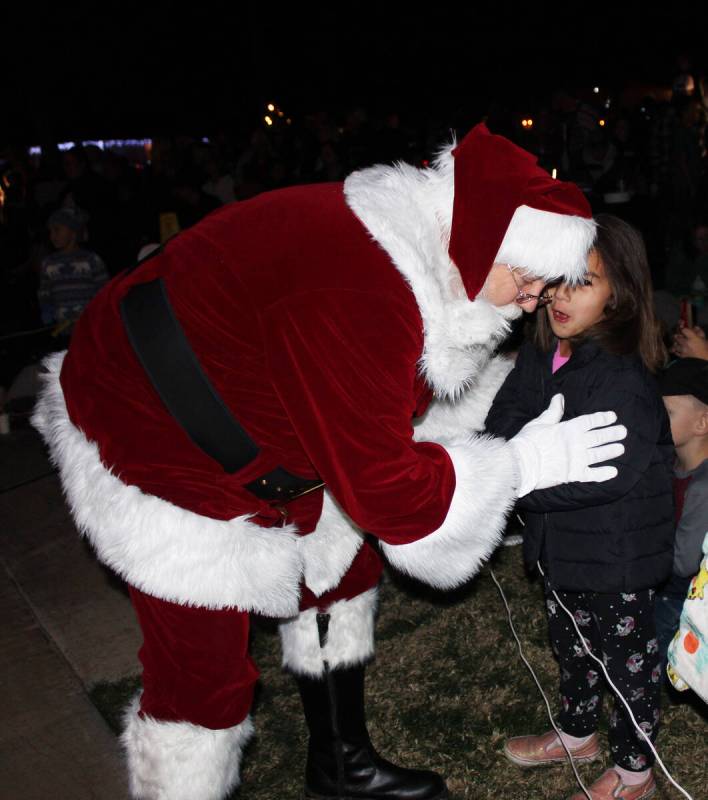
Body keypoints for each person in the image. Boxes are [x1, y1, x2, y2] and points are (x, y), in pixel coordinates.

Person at [31, 124, 626, 800]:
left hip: (244, 402)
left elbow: (404, 397)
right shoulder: (364, 294)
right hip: (146, 430)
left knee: (342, 562)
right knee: (202, 670)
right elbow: (394, 501)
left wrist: (520, 405)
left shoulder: (421, 252)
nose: (530, 301)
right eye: (526, 276)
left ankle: (341, 763)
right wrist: (518, 466)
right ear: (484, 233)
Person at [485, 215, 674, 800]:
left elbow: (602, 476)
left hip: (616, 551)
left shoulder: (622, 376)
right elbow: (505, 417)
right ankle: (577, 730)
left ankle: (634, 772)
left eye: (585, 283)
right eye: (560, 279)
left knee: (626, 664)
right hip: (560, 544)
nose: (563, 296)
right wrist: (517, 458)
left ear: (618, 294)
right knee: (571, 644)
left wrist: (515, 479)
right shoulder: (543, 351)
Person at [655, 358, 708, 661]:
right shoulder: (672, 463)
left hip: (686, 597)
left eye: (668, 413)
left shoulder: (702, 488)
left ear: (702, 423)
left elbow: (683, 564)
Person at [38, 207, 109, 326]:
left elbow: (104, 290)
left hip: (88, 325)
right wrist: (47, 307)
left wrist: (99, 312)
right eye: (50, 231)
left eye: (57, 230)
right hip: (62, 327)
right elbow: (44, 292)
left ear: (73, 233)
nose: (52, 236)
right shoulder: (48, 264)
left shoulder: (91, 260)